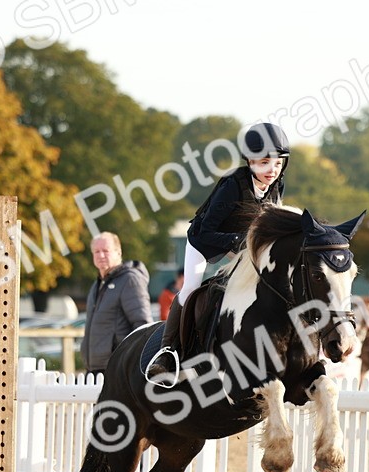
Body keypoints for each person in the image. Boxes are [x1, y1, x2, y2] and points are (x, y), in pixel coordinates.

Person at [145, 122, 290, 384]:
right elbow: (204, 232)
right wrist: (237, 240)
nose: (272, 170)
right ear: (249, 160)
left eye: (278, 163)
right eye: (265, 162)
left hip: (241, 247)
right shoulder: (232, 185)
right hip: (205, 242)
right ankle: (167, 352)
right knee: (190, 289)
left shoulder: (278, 186)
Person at [81, 232, 152, 377]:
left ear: (118, 252)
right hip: (94, 369)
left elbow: (143, 326)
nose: (101, 255)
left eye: (106, 251)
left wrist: (135, 367)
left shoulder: (130, 280)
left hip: (118, 370)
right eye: (97, 251)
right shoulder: (97, 284)